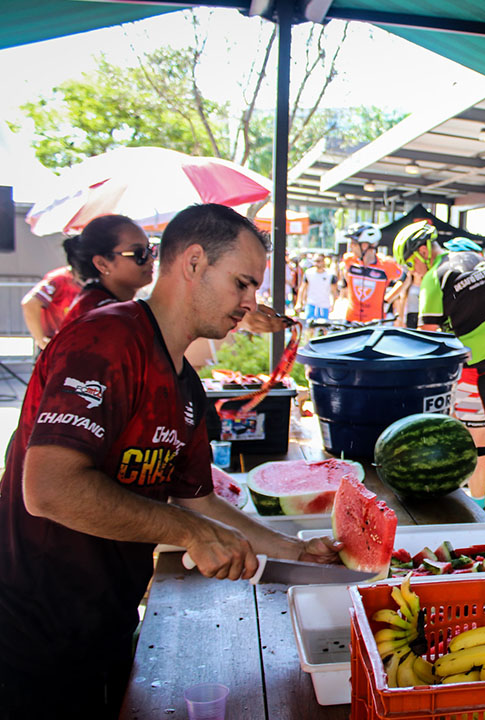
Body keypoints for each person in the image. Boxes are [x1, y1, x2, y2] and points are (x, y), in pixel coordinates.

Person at [0, 203, 340, 719]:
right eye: (243, 283)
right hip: (33, 630)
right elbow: (48, 488)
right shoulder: (108, 339)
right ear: (195, 262)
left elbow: (196, 497)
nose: (251, 304)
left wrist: (293, 550)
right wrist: (191, 533)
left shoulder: (184, 382)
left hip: (107, 620)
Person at [393, 221, 485, 507]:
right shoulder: (476, 258)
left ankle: (479, 511)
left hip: (475, 363)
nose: (411, 271)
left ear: (422, 252)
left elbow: (427, 339)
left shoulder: (435, 277)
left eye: (409, 264)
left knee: (478, 444)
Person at [59, 214, 156, 326]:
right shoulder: (107, 317)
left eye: (150, 250)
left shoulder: (96, 304)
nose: (150, 259)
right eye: (139, 253)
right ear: (102, 264)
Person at [340, 222, 401, 323]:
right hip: (350, 320)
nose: (351, 247)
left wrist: (388, 299)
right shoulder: (349, 260)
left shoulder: (386, 264)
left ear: (364, 245)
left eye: (354, 243)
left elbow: (406, 278)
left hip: (375, 322)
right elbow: (344, 273)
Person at [21, 265, 82, 350]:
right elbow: (30, 303)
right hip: (58, 346)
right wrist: (41, 340)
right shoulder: (60, 279)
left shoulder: (100, 278)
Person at [297, 255, 337, 322]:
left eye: (318, 261)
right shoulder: (308, 273)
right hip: (311, 304)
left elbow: (333, 291)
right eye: (314, 261)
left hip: (324, 305)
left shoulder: (330, 275)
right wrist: (299, 302)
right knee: (310, 326)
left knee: (323, 327)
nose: (316, 264)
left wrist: (333, 304)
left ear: (323, 262)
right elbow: (302, 288)